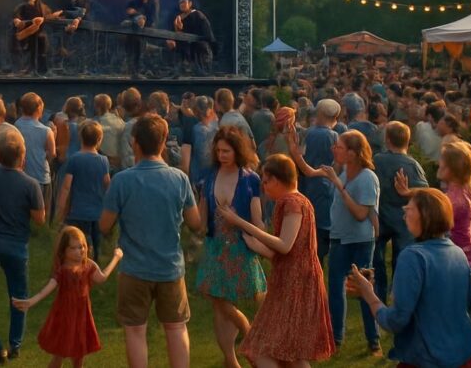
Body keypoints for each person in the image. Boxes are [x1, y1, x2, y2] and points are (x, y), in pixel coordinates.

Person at [100, 114, 200, 368]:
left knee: (135, 331)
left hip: (134, 268)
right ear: (164, 141)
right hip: (170, 266)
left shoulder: (122, 180)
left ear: (134, 143)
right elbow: (195, 222)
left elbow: (104, 225)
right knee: (176, 328)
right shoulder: (179, 179)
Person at [221, 154, 334, 364]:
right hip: (296, 279)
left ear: (276, 180)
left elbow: (285, 244)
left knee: (259, 349)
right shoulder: (301, 201)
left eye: (265, 181)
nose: (263, 187)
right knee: (292, 353)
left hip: (295, 283)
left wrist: (241, 223)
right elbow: (284, 253)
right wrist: (256, 245)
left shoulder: (291, 202)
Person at [348, 188, 471, 368]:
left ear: (424, 215)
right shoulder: (458, 253)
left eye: (408, 209)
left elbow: (396, 320)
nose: (404, 215)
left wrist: (368, 294)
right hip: (464, 356)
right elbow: (466, 307)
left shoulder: (413, 257)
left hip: (429, 359)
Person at [291, 129, 381, 353]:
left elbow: (361, 214)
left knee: (363, 291)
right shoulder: (340, 169)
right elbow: (310, 172)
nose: (334, 149)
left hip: (360, 241)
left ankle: (373, 340)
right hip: (339, 238)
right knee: (335, 289)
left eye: (339, 146)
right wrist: (294, 150)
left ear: (352, 153)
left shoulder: (367, 178)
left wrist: (338, 185)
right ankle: (336, 339)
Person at [0, 131, 46, 363]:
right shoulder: (31, 185)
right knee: (19, 297)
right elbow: (40, 219)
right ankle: (15, 345)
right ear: (22, 158)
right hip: (16, 245)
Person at [195, 127, 266, 368]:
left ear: (238, 150)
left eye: (227, 151)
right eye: (218, 151)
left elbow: (257, 220)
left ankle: (244, 340)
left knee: (226, 304)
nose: (222, 155)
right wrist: (199, 225)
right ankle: (233, 357)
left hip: (240, 246)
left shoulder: (250, 179)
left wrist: (263, 242)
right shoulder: (210, 177)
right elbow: (202, 216)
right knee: (218, 301)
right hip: (215, 245)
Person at [12, 226, 123, 367]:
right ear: (64, 250)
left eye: (82, 246)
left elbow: (101, 278)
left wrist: (116, 258)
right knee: (59, 355)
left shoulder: (88, 265)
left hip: (82, 317)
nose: (80, 251)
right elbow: (47, 289)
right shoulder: (62, 271)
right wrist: (30, 302)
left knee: (79, 356)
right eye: (73, 248)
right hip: (64, 317)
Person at [373, 121, 429, 303]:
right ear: (408, 141)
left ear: (388, 140)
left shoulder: (378, 160)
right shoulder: (413, 166)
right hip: (404, 217)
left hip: (381, 215)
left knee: (377, 257)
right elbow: (425, 192)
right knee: (402, 258)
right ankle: (398, 293)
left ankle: (377, 292)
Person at [56, 121, 110, 258]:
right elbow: (107, 184)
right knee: (96, 244)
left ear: (81, 138)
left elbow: (67, 186)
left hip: (77, 212)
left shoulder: (75, 159)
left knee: (76, 243)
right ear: (99, 140)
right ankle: (95, 268)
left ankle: (77, 266)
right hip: (97, 212)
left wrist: (61, 209)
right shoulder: (103, 161)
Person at [299, 98, 341, 260]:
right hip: (326, 189)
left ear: (320, 113)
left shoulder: (307, 133)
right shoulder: (335, 136)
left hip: (306, 185)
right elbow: (337, 166)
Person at [439, 141, 471, 270]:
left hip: (455, 257)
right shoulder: (470, 188)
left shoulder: (454, 199)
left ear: (453, 169)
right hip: (469, 251)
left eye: (443, 163)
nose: (439, 165)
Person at [16, 92, 57, 212]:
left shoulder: (16, 125)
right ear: (39, 108)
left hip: (21, 175)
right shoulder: (46, 130)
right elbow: (52, 153)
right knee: (41, 213)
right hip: (41, 176)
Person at [12, 0, 62, 74]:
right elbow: (17, 17)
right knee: (31, 48)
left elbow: (48, 15)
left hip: (40, 32)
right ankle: (30, 67)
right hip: (28, 32)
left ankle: (42, 69)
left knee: (42, 47)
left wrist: (54, 16)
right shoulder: (23, 6)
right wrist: (17, 21)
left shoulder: (42, 6)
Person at [123, 0, 160, 77]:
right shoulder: (136, 0)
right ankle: (134, 68)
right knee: (131, 31)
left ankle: (138, 68)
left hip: (149, 26)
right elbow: (127, 8)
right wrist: (136, 14)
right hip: (136, 27)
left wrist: (141, 17)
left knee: (138, 36)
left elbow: (153, 17)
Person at [170, 0, 214, 75]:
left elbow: (202, 31)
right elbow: (176, 33)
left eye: (184, 2)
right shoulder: (179, 18)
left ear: (190, 3)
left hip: (199, 49)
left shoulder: (197, 15)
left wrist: (182, 28)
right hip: (184, 51)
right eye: (180, 3)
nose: (181, 4)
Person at [93, 94, 124, 172]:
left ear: (98, 108)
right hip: (119, 163)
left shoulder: (95, 125)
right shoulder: (120, 122)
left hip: (101, 164)